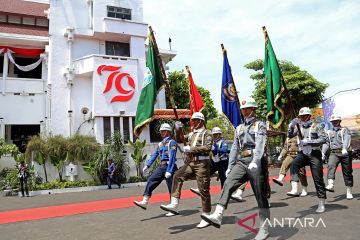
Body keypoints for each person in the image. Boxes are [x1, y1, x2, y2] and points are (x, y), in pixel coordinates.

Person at [201, 97, 270, 240]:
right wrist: (230, 166)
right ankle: (218, 214)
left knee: (260, 194)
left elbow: (260, 144)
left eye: (247, 109)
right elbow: (234, 148)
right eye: (243, 110)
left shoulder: (260, 125)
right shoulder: (238, 128)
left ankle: (264, 226)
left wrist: (256, 160)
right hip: (242, 160)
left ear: (253, 110)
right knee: (228, 182)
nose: (245, 112)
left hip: (255, 160)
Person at [160, 112, 213, 229]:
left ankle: (206, 216)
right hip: (191, 162)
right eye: (192, 121)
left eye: (194, 120)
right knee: (177, 175)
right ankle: (174, 203)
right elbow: (179, 139)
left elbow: (208, 147)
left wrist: (192, 149)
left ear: (200, 121)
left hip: (202, 163)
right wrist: (178, 129)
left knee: (203, 189)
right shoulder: (192, 134)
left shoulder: (207, 133)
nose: (192, 122)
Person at [288, 107, 327, 213]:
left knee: (318, 179)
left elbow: (323, 139)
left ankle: (321, 203)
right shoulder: (298, 126)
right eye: (301, 117)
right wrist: (291, 126)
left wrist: (309, 141)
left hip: (314, 153)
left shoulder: (317, 126)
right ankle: (295, 187)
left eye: (305, 116)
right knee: (294, 164)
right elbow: (290, 135)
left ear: (309, 116)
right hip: (303, 153)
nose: (303, 118)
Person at [133, 123, 178, 216]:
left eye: (163, 131)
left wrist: (169, 171)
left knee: (171, 187)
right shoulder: (161, 143)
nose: (161, 133)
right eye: (161, 131)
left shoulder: (172, 142)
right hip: (162, 167)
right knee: (151, 180)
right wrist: (147, 165)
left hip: (169, 166)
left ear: (168, 132)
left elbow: (172, 157)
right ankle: (145, 201)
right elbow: (155, 155)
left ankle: (173, 208)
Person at [190, 127, 229, 195]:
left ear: (219, 134)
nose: (214, 136)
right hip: (214, 162)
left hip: (222, 163)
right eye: (213, 135)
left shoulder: (223, 142)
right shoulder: (212, 142)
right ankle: (201, 188)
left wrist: (216, 149)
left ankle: (225, 194)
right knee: (206, 174)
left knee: (223, 179)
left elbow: (224, 150)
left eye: (216, 135)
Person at [322, 115, 353, 199]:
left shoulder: (344, 130)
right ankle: (330, 184)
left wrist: (344, 148)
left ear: (339, 121)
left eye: (336, 121)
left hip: (345, 152)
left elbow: (347, 139)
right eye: (333, 121)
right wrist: (323, 153)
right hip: (334, 152)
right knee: (330, 165)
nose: (334, 122)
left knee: (347, 172)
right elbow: (326, 143)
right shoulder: (328, 132)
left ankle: (349, 190)